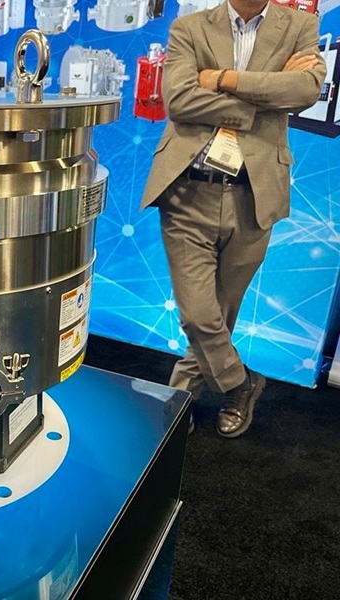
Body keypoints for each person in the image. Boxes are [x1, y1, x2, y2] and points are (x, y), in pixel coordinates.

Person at [141, 0, 326, 437]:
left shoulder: (301, 25)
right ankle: (241, 383)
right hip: (188, 190)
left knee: (220, 312)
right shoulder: (190, 27)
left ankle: (181, 398)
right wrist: (261, 102)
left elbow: (304, 90)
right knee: (198, 314)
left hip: (253, 193)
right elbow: (179, 99)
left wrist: (223, 80)